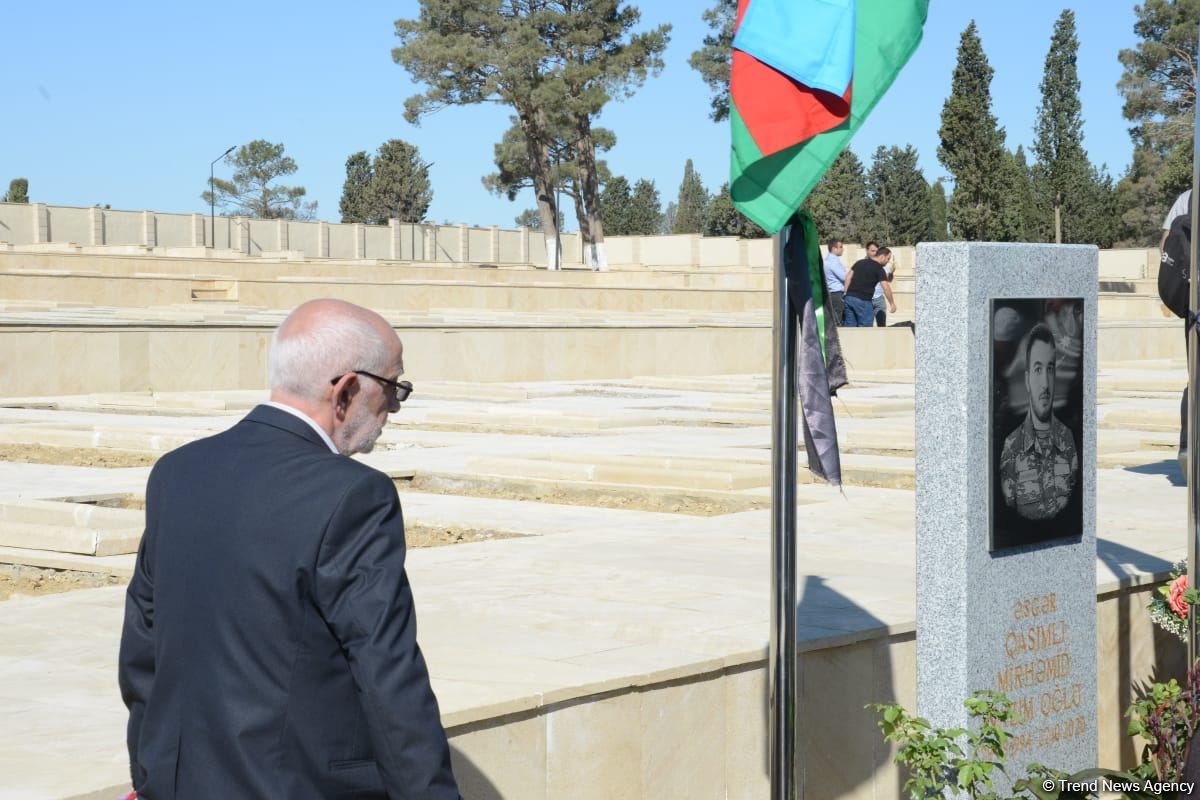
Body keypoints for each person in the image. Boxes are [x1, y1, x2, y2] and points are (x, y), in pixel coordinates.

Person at [118, 299, 461, 799]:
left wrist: (152, 779)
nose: (393, 409)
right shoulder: (354, 495)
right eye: (393, 389)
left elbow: (142, 653)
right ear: (346, 389)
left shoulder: (176, 471)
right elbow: (387, 674)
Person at [999, 323, 1079, 521]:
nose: (1044, 383)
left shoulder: (1069, 440)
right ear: (1026, 380)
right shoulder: (1011, 447)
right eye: (1037, 369)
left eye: (1050, 369)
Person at [1162, 189, 1193, 477]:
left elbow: (1167, 247)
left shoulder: (1188, 198)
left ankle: (1187, 449)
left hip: (1195, 309)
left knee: (1196, 379)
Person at [842, 246, 897, 327]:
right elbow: (886, 287)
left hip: (849, 298)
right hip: (863, 301)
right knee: (866, 329)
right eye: (888, 258)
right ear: (882, 256)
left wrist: (846, 293)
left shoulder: (860, 262)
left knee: (850, 327)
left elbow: (848, 277)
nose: (887, 262)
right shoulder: (879, 269)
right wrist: (892, 303)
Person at [864, 241, 895, 326]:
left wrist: (891, 273)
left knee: (882, 325)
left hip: (879, 298)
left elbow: (888, 280)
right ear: (867, 251)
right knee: (867, 325)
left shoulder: (884, 265)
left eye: (876, 251)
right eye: (872, 251)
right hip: (867, 299)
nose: (875, 253)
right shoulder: (862, 264)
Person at [823, 237, 848, 324]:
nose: (842, 249)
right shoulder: (833, 262)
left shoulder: (829, 260)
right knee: (838, 321)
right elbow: (845, 277)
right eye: (840, 247)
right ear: (834, 248)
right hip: (836, 294)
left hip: (832, 294)